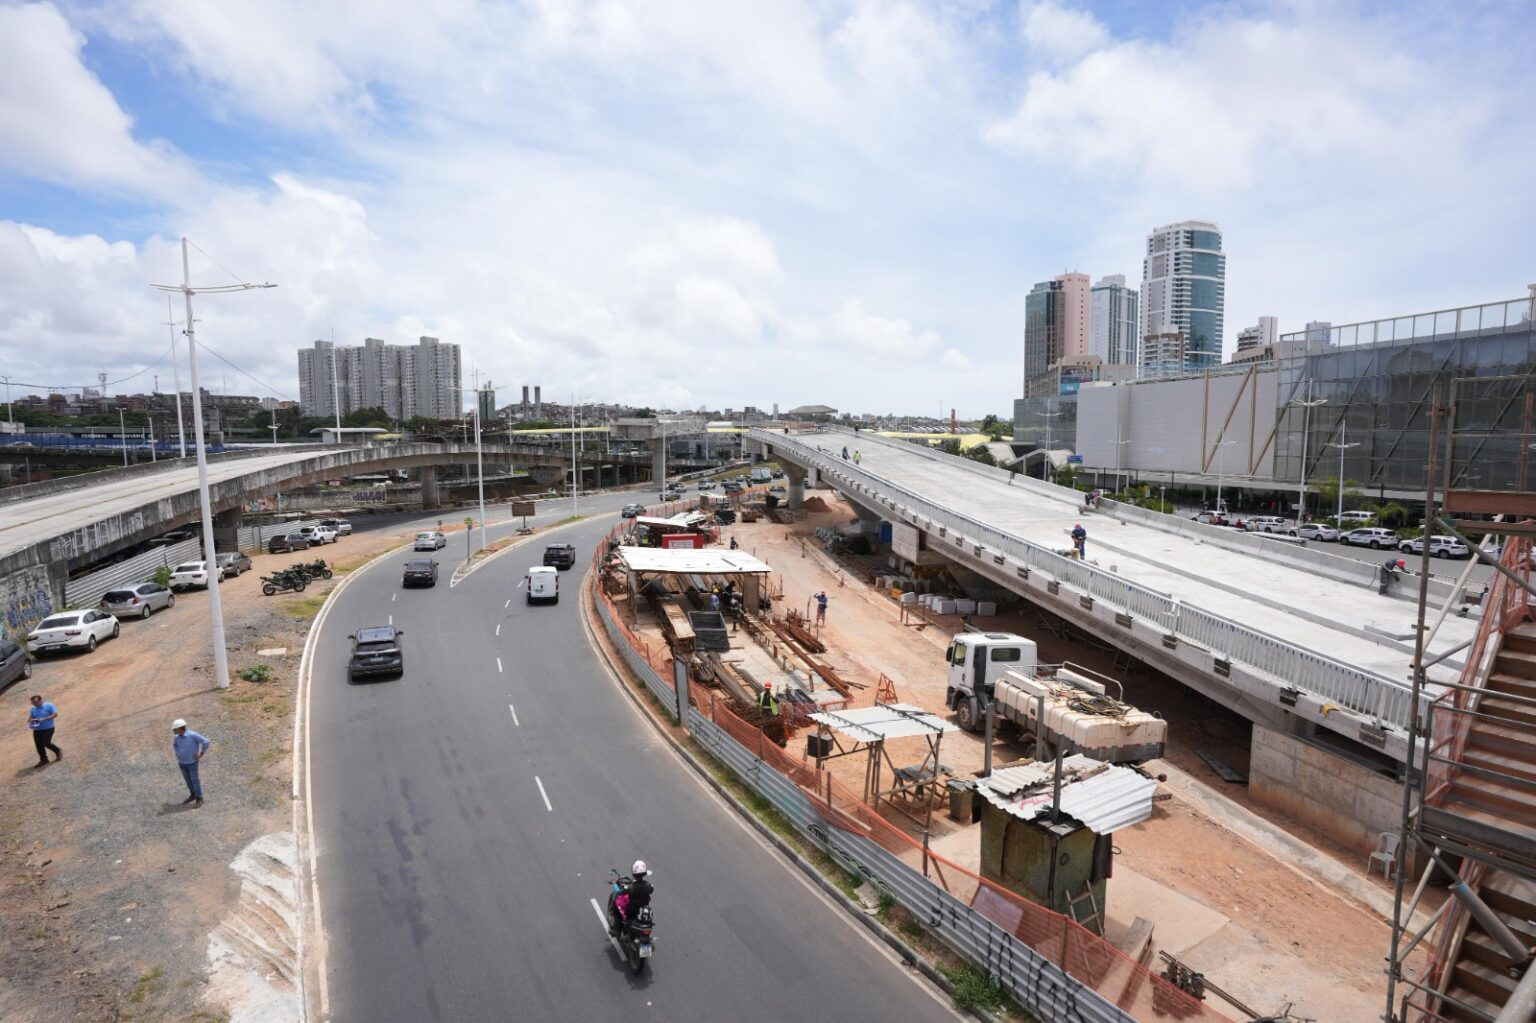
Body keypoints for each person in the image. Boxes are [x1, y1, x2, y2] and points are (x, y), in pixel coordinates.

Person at [172, 719, 210, 807]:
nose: (173, 731)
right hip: (182, 763)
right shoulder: (177, 737)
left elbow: (206, 742)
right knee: (187, 779)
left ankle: (199, 798)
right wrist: (178, 753)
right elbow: (175, 745)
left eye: (175, 729)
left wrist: (201, 753)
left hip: (192, 763)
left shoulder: (192, 735)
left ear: (180, 728)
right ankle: (193, 794)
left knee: (195, 780)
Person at [611, 859, 653, 934]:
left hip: (631, 912)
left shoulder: (630, 887)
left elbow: (619, 893)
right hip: (642, 910)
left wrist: (614, 884)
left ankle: (616, 930)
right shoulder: (649, 885)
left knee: (616, 907)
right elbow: (651, 890)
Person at [28, 694, 61, 768]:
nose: (34, 704)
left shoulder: (49, 705)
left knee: (46, 742)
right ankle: (43, 759)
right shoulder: (33, 708)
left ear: (40, 700)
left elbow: (55, 714)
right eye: (33, 703)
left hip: (48, 728)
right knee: (38, 745)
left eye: (35, 702)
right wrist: (30, 720)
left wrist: (45, 718)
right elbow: (31, 716)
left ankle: (58, 751)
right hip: (37, 729)